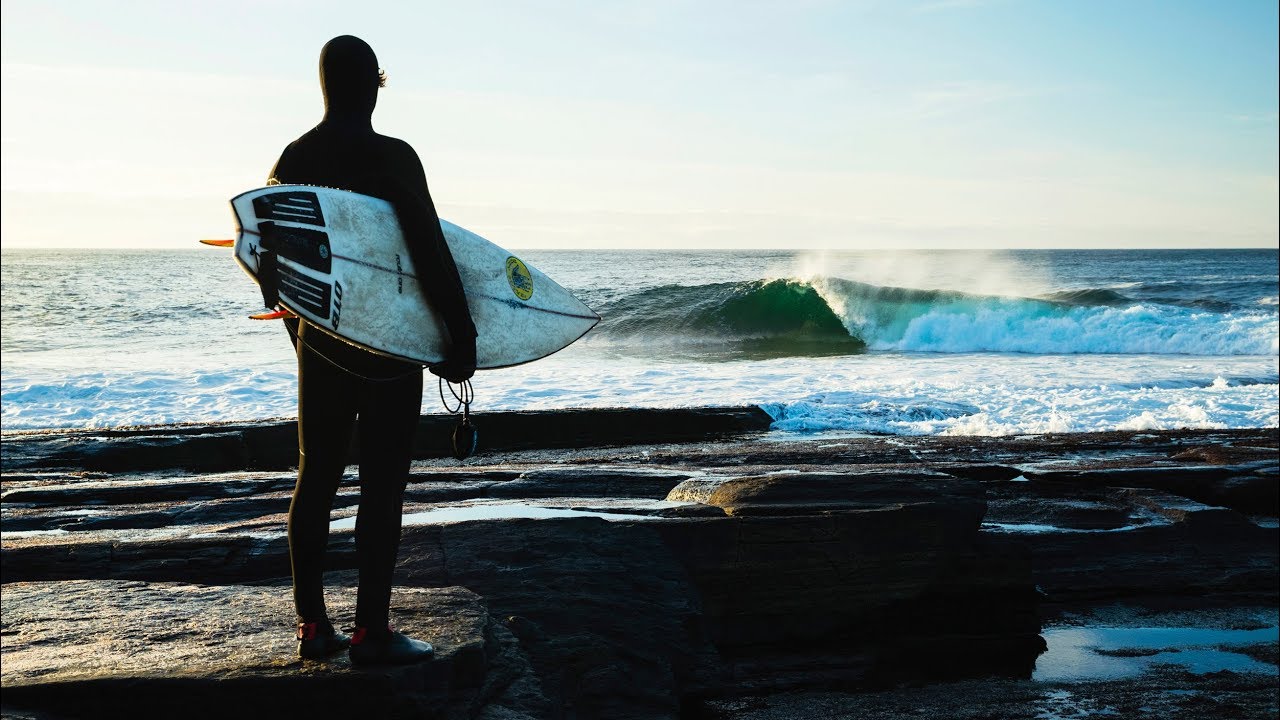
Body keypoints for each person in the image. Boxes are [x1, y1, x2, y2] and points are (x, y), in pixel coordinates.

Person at [268, 35, 478, 665]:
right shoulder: (393, 157)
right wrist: (458, 337)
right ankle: (370, 632)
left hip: (322, 346)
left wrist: (303, 339)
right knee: (382, 487)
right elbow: (428, 251)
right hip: (388, 348)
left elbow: (271, 262)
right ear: (375, 85)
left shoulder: (292, 157)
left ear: (324, 84)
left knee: (316, 477)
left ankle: (312, 627)